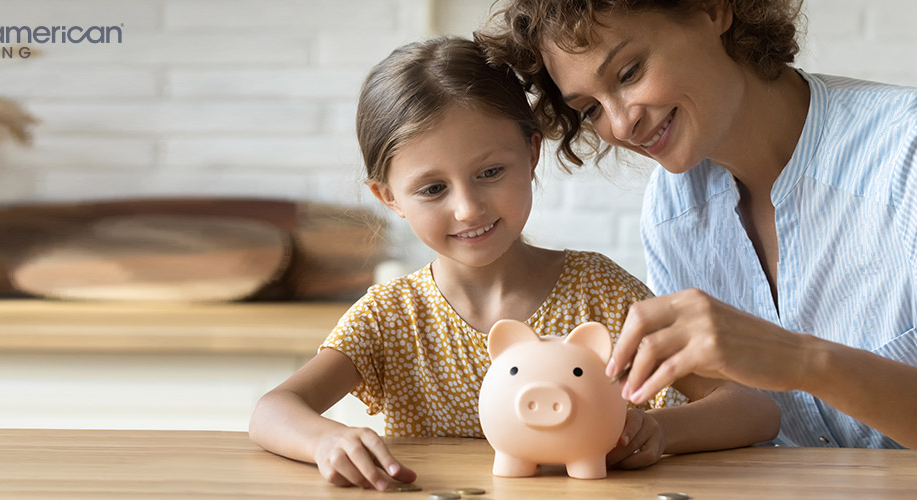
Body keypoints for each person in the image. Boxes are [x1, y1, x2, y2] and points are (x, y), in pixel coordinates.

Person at [478, 0, 917, 485]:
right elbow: (754, 411)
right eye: (589, 108)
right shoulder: (673, 206)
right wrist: (652, 430)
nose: (620, 122)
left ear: (711, 9)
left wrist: (798, 359)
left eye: (630, 71)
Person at [247, 36, 780, 491]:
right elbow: (273, 409)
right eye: (432, 189)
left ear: (531, 153)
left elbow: (754, 409)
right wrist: (328, 439)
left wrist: (661, 431)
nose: (468, 208)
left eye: (490, 172)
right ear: (388, 197)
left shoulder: (603, 295)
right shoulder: (392, 316)